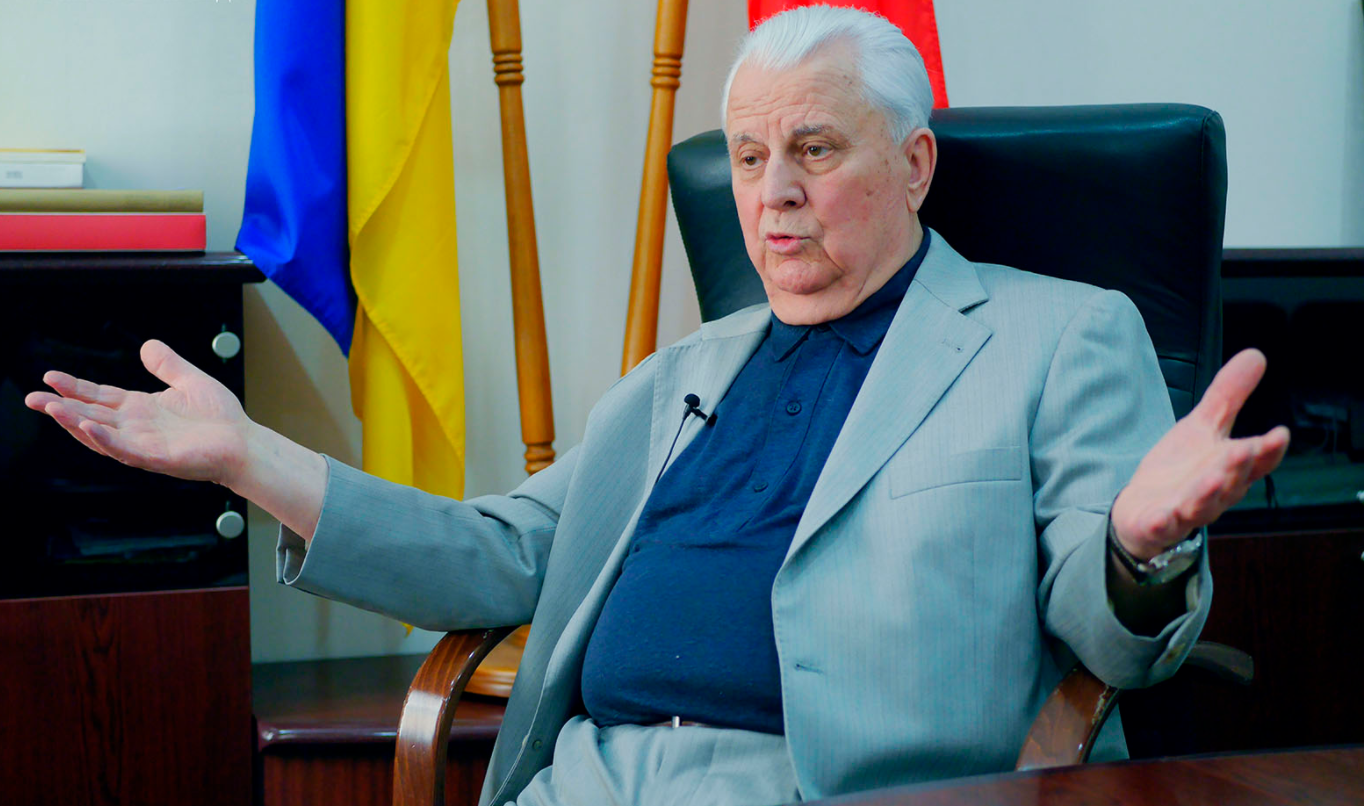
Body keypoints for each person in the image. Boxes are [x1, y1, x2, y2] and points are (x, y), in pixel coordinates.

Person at [26, 7, 1288, 805]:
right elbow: (500, 553)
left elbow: (1115, 641)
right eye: (746, 156)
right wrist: (251, 457)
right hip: (583, 778)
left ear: (912, 164)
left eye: (813, 149)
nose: (770, 193)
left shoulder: (1053, 335)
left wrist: (1135, 545)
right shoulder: (685, 370)